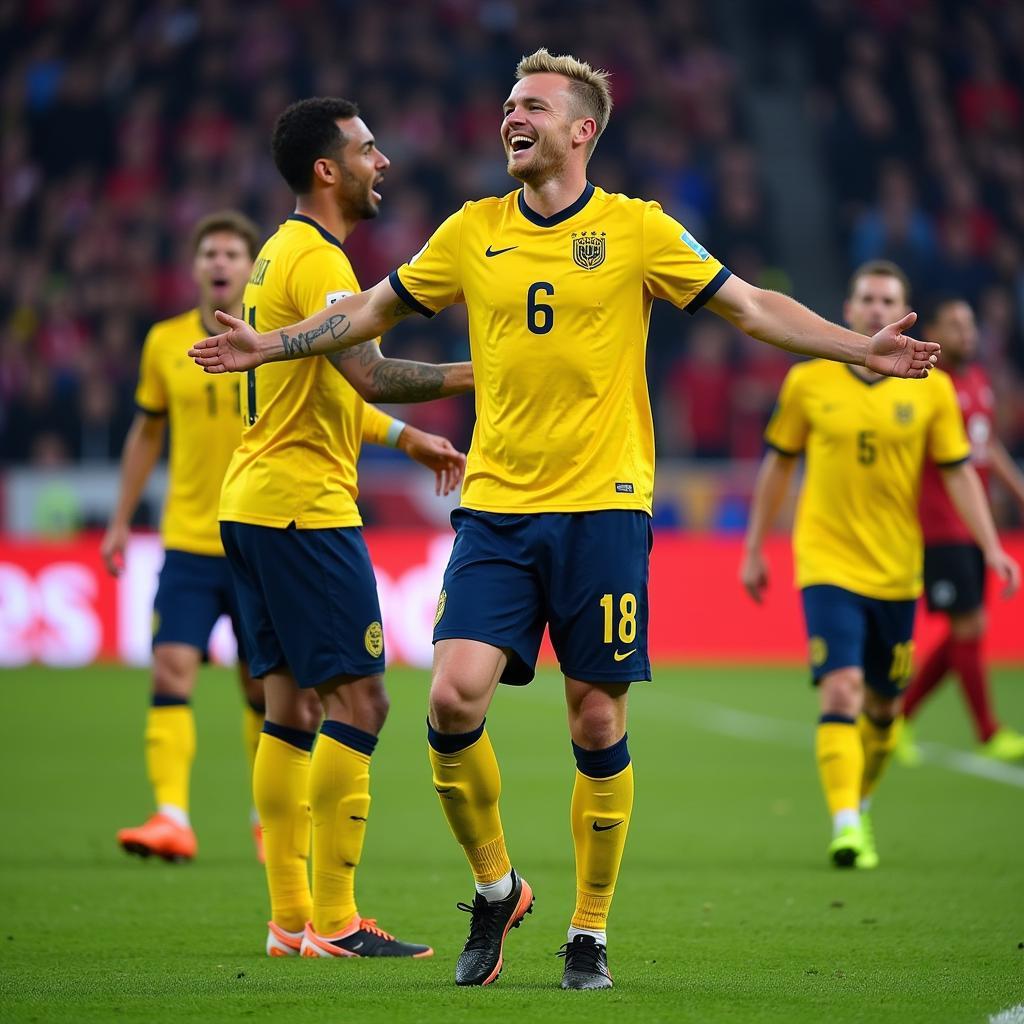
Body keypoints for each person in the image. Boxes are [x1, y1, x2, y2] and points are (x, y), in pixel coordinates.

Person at [190, 52, 941, 989]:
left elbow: (751, 307)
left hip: (605, 508)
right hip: (499, 509)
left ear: (582, 131)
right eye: (509, 104)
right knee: (450, 700)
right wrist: (274, 342)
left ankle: (588, 930)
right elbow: (373, 315)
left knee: (594, 718)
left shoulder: (638, 230)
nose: (513, 116)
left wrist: (854, 345)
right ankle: (497, 886)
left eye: (534, 106)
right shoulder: (472, 232)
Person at [104, 211, 464, 867]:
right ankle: (178, 817)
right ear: (194, 268)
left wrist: (403, 437)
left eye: (229, 255)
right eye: (207, 253)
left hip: (247, 519)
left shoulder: (274, 334)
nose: (219, 264)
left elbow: (341, 399)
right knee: (216, 676)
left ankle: (276, 855)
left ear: (250, 270)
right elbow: (147, 434)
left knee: (272, 696)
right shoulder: (169, 343)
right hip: (233, 526)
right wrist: (123, 519)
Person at [214, 98, 474, 961]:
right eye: (367, 149)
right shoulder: (321, 262)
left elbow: (321, 390)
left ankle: (289, 922)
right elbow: (366, 373)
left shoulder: (277, 252)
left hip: (251, 503)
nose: (383, 161)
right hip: (303, 511)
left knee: (291, 711)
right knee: (364, 700)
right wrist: (488, 366)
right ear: (327, 170)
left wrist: (408, 438)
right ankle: (336, 919)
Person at [740, 261, 1020, 871]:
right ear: (849, 305)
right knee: (842, 687)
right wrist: (756, 547)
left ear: (905, 308)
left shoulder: (933, 389)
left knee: (885, 711)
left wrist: (993, 545)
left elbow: (958, 476)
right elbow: (779, 467)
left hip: (897, 568)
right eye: (866, 297)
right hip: (827, 563)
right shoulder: (809, 384)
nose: (874, 307)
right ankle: (845, 823)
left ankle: (858, 801)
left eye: (887, 298)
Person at [900, 297, 1024, 763]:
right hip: (940, 522)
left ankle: (898, 718)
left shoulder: (977, 381)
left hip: (976, 525)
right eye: (953, 325)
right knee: (968, 625)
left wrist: (1018, 493)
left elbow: (986, 448)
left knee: (965, 632)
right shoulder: (925, 386)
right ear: (931, 329)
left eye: (970, 325)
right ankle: (988, 731)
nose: (966, 334)